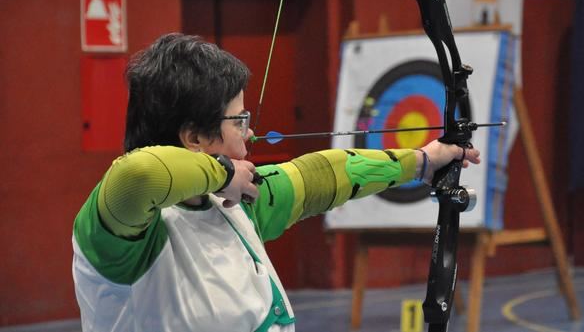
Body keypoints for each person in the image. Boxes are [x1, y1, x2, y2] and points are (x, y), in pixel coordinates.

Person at [72, 33, 481, 332]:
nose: (249, 133)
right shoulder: (126, 234)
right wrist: (226, 172)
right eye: (239, 121)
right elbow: (140, 174)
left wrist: (424, 161)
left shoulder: (233, 204)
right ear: (194, 138)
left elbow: (327, 173)